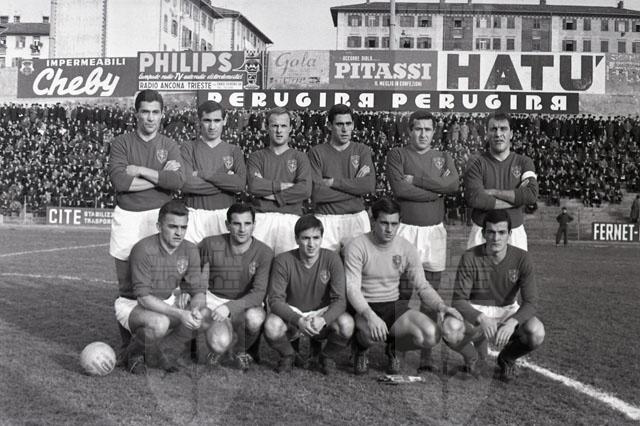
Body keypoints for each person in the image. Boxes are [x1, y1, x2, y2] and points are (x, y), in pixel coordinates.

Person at [343, 198, 462, 375]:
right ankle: (361, 348)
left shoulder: (406, 248)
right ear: (373, 221)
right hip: (365, 306)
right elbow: (352, 288)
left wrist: (442, 306)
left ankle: (393, 347)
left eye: (394, 224)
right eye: (384, 223)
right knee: (370, 335)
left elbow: (422, 285)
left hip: (393, 306)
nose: (389, 229)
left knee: (431, 335)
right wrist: (370, 316)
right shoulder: (357, 246)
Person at [108, 90, 185, 349]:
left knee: (161, 284)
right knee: (127, 285)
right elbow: (120, 182)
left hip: (158, 218)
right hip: (128, 216)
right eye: (145, 112)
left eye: (155, 112)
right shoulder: (121, 143)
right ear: (136, 114)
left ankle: (150, 344)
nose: (150, 118)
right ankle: (127, 347)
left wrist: (140, 171)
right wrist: (160, 177)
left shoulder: (169, 145)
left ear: (162, 114)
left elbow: (177, 181)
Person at [386, 110, 460, 371]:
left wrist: (417, 181)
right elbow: (400, 189)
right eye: (418, 129)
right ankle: (396, 351)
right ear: (410, 130)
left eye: (428, 129)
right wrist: (434, 191)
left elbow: (452, 186)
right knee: (402, 293)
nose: (423, 134)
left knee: (431, 294)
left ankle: (426, 355)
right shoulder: (398, 154)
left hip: (434, 232)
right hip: (406, 231)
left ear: (434, 131)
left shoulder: (443, 157)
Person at [446, 209, 545, 382]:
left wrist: (512, 322)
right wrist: (481, 318)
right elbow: (459, 300)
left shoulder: (522, 258)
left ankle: (507, 359)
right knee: (449, 328)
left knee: (536, 332)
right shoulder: (470, 257)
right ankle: (472, 359)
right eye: (491, 232)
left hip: (507, 310)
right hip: (477, 308)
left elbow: (531, 302)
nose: (496, 238)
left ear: (509, 234)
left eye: (501, 232)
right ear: (483, 233)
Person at [114, 200, 208, 374]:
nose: (179, 233)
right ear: (159, 226)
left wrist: (194, 309)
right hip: (132, 304)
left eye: (183, 227)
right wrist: (180, 313)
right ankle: (132, 354)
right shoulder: (143, 249)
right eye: (173, 227)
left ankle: (161, 352)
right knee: (160, 323)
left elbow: (199, 293)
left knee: (204, 314)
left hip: (165, 301)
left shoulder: (190, 249)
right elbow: (143, 298)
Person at [187, 203, 273, 371]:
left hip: (246, 304)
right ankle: (215, 349)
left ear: (254, 225)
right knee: (220, 342)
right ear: (227, 225)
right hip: (215, 303)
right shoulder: (211, 244)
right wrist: (188, 290)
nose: (242, 229)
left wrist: (229, 307)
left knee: (255, 318)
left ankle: (240, 351)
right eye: (236, 223)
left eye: (247, 223)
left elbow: (258, 294)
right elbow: (192, 268)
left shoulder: (265, 252)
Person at [265, 214, 353, 374]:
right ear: (296, 239)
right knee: (272, 326)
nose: (311, 244)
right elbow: (275, 300)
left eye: (316, 238)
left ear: (321, 238)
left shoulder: (332, 259)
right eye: (305, 238)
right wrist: (298, 320)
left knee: (346, 324)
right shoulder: (283, 260)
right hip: (294, 312)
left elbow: (340, 300)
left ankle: (325, 357)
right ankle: (289, 355)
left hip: (321, 312)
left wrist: (323, 320)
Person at [464, 111, 538, 251]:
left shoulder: (524, 162)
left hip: (514, 234)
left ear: (511, 134)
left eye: (503, 129)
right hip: (482, 233)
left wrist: (492, 192)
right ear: (487, 134)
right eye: (493, 129)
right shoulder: (476, 162)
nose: (498, 134)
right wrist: (517, 200)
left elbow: (531, 195)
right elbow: (475, 198)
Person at [308, 104, 375, 251]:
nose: (345, 129)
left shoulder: (362, 150)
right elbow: (317, 193)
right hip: (326, 218)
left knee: (358, 265)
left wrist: (333, 182)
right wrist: (355, 190)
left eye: (348, 124)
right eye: (339, 124)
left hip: (356, 217)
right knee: (325, 265)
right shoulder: (316, 152)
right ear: (329, 126)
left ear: (353, 125)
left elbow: (369, 185)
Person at [247, 107, 312, 254]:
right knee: (259, 264)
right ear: (267, 127)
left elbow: (305, 190)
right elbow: (254, 186)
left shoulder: (300, 157)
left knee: (288, 265)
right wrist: (286, 186)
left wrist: (273, 196)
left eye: (283, 126)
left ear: (290, 128)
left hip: (291, 220)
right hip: (262, 219)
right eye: (274, 125)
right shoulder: (256, 157)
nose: (279, 130)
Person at [180, 101, 246, 244]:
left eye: (217, 120)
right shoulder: (188, 147)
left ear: (225, 121)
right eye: (207, 120)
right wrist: (226, 183)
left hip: (225, 216)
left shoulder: (234, 150)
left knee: (221, 258)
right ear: (199, 121)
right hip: (194, 216)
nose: (212, 126)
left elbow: (240, 184)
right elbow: (186, 183)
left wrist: (202, 174)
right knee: (193, 258)